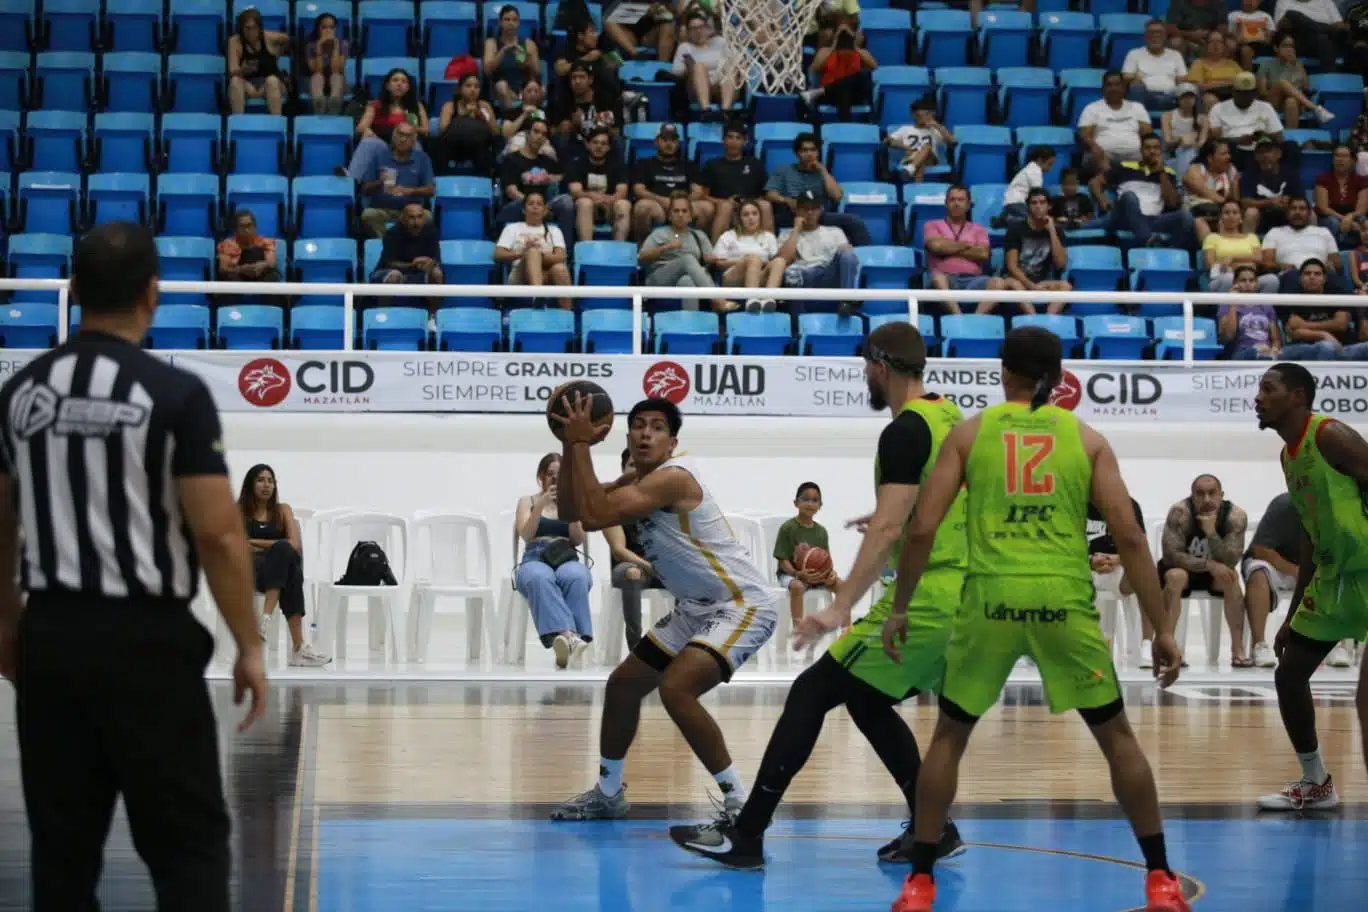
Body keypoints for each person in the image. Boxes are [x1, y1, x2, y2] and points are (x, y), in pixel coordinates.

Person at [0, 222, 267, 910]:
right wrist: (250, 645)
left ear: (76, 290)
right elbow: (218, 534)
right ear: (153, 293)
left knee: (62, 857)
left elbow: (1, 527)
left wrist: (9, 628)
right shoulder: (172, 394)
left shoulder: (21, 393)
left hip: (52, 639)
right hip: (148, 644)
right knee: (188, 851)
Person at [883, 326, 1188, 912]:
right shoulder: (1087, 437)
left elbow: (920, 526)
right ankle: (1160, 879)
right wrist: (1162, 628)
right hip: (1061, 597)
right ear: (1058, 377)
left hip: (991, 597)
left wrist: (901, 608)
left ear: (1004, 372)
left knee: (949, 737)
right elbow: (1127, 533)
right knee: (1116, 738)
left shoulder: (971, 435)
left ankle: (920, 883)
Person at [668, 321, 966, 869]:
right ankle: (935, 827)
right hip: (957, 594)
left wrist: (839, 605)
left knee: (810, 692)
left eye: (865, 367)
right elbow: (944, 503)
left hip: (927, 597)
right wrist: (894, 517)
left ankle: (749, 833)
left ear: (881, 365)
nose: (864, 378)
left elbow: (887, 532)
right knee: (866, 700)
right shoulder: (950, 418)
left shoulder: (903, 431)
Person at [548, 396, 780, 822]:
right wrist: (569, 445)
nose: (645, 433)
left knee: (676, 688)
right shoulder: (636, 477)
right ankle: (608, 793)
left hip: (741, 603)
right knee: (622, 686)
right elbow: (572, 512)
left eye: (657, 427)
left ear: (672, 444)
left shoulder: (674, 478)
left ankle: (740, 805)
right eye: (637, 425)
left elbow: (596, 514)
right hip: (696, 608)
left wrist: (580, 445)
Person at [1253, 362, 1368, 811]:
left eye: (1268, 388)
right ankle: (1315, 781)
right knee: (1289, 673)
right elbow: (1308, 531)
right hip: (1333, 579)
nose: (1258, 397)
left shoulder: (1330, 435)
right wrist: (1293, 610)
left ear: (1298, 396)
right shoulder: (1288, 456)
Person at [1153, 474, 1248, 669]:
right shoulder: (1180, 512)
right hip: (1183, 570)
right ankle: (1168, 647)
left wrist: (1211, 532)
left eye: (1212, 494)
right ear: (1192, 496)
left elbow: (1230, 560)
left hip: (1216, 572)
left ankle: (1237, 650)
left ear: (1221, 495)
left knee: (1231, 577)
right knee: (1175, 576)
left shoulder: (1235, 517)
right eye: (1200, 494)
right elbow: (1171, 555)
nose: (1206, 500)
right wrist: (1208, 565)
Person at [239, 464, 330, 667]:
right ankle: (299, 648)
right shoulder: (240, 512)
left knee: (287, 559)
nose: (267, 485)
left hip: (279, 572)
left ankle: (265, 619)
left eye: (270, 481)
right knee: (289, 565)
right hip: (252, 573)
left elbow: (294, 544)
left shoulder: (283, 510)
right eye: (261, 480)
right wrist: (274, 547)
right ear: (250, 484)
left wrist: (254, 543)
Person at [514, 453, 594, 669]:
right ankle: (571, 636)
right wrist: (540, 506)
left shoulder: (572, 503)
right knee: (539, 577)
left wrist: (571, 510)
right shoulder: (527, 501)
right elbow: (526, 535)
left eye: (560, 476)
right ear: (541, 476)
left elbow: (577, 539)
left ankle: (565, 640)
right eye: (550, 475)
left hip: (565, 554)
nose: (555, 480)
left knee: (577, 575)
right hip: (535, 555)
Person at [603, 448, 662, 653]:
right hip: (628, 566)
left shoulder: (658, 501)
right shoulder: (612, 504)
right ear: (623, 470)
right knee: (632, 573)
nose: (637, 472)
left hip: (658, 565)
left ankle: (681, 644)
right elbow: (619, 550)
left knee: (687, 573)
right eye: (632, 466)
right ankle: (636, 648)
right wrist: (648, 566)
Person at [1241, 492, 1302, 669]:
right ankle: (1259, 644)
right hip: (1280, 566)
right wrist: (1296, 571)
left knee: (1339, 573)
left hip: (1314, 568)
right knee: (1258, 572)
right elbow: (1261, 550)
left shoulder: (1335, 506)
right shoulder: (1284, 505)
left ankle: (1337, 644)